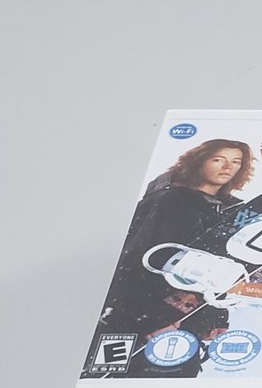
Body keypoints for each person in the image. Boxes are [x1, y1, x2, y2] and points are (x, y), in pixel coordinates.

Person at [96, 139, 253, 375]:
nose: (227, 167)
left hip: (185, 322)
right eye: (218, 160)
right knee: (133, 383)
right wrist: (153, 320)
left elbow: (215, 269)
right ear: (198, 162)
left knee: (175, 382)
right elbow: (136, 263)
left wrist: (215, 317)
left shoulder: (230, 210)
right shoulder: (171, 202)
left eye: (236, 162)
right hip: (145, 319)